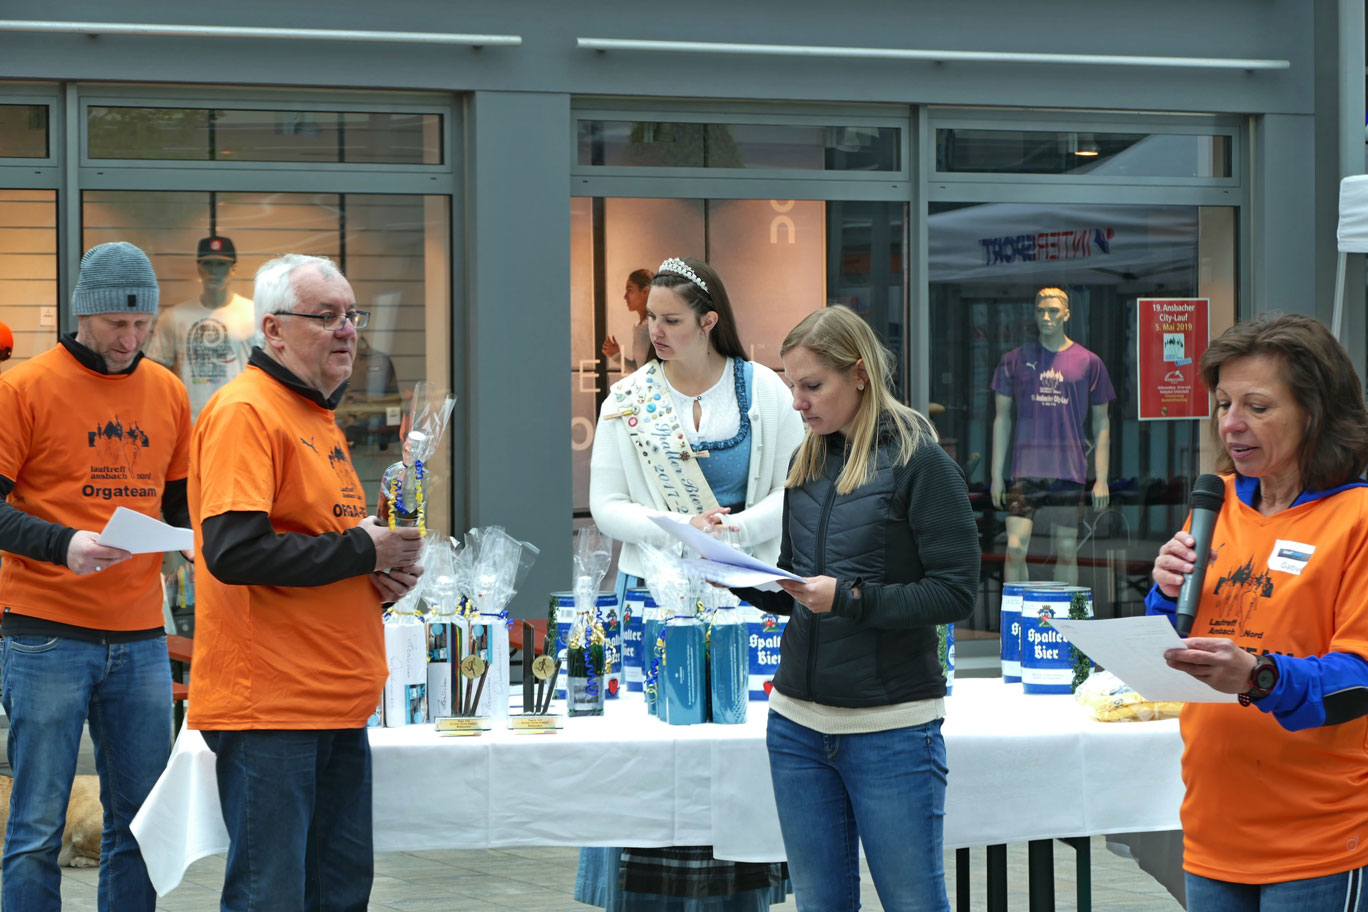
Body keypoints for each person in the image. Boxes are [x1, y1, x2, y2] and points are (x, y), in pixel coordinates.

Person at [186, 253, 424, 912]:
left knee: (339, 895)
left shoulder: (317, 417)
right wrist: (362, 551)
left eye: (352, 315)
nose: (347, 329)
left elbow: (322, 548)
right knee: (272, 897)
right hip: (272, 706)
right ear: (274, 329)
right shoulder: (246, 412)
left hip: (334, 698)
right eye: (326, 316)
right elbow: (234, 551)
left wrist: (378, 574)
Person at [731, 304, 979, 912]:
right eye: (792, 385)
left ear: (860, 374)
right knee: (820, 904)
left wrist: (848, 597)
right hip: (795, 724)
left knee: (913, 903)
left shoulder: (922, 462)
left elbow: (954, 592)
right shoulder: (808, 460)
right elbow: (796, 588)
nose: (797, 402)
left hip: (891, 728)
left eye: (812, 386)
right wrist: (728, 572)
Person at [581, 256, 805, 911]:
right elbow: (606, 505)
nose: (655, 330)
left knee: (740, 750)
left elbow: (799, 486)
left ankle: (741, 894)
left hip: (747, 595)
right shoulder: (628, 400)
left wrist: (736, 530)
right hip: (655, 600)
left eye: (671, 320)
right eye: (650, 318)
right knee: (652, 755)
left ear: (709, 322)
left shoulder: (765, 392)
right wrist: (678, 528)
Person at [1148, 312, 1368, 912]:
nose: (1231, 424)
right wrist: (1164, 595)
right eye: (1223, 404)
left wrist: (1258, 677)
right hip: (1213, 830)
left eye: (1258, 407)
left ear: (1315, 413)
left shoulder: (1356, 519)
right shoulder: (1214, 503)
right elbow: (1178, 641)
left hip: (1319, 840)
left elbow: (1359, 679)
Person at [0, 242, 192, 911]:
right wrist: (64, 544)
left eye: (142, 324)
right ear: (84, 313)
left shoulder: (167, 391)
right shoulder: (23, 388)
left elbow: (180, 500)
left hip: (140, 636)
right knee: (36, 825)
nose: (130, 339)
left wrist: (200, 544)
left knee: (141, 822)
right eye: (116, 324)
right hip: (45, 632)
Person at [990, 286, 1113, 584]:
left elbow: (1102, 423)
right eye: (1040, 311)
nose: (1046, 317)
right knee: (1015, 547)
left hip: (1069, 471)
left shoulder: (1089, 362)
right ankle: (1016, 610)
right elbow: (1002, 418)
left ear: (1066, 315)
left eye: (1053, 311)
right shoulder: (1014, 360)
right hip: (1025, 470)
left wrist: (1101, 479)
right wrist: (995, 475)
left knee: (1068, 550)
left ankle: (1067, 613)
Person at [146, 234, 255, 421]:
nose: (213, 271)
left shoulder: (254, 315)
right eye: (207, 264)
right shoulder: (174, 317)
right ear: (198, 268)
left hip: (238, 419)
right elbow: (156, 374)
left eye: (221, 264)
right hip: (189, 422)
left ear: (233, 269)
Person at [600, 267, 653, 373]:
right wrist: (616, 356)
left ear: (645, 291)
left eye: (630, 290)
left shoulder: (659, 325)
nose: (625, 297)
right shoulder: (638, 327)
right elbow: (639, 371)